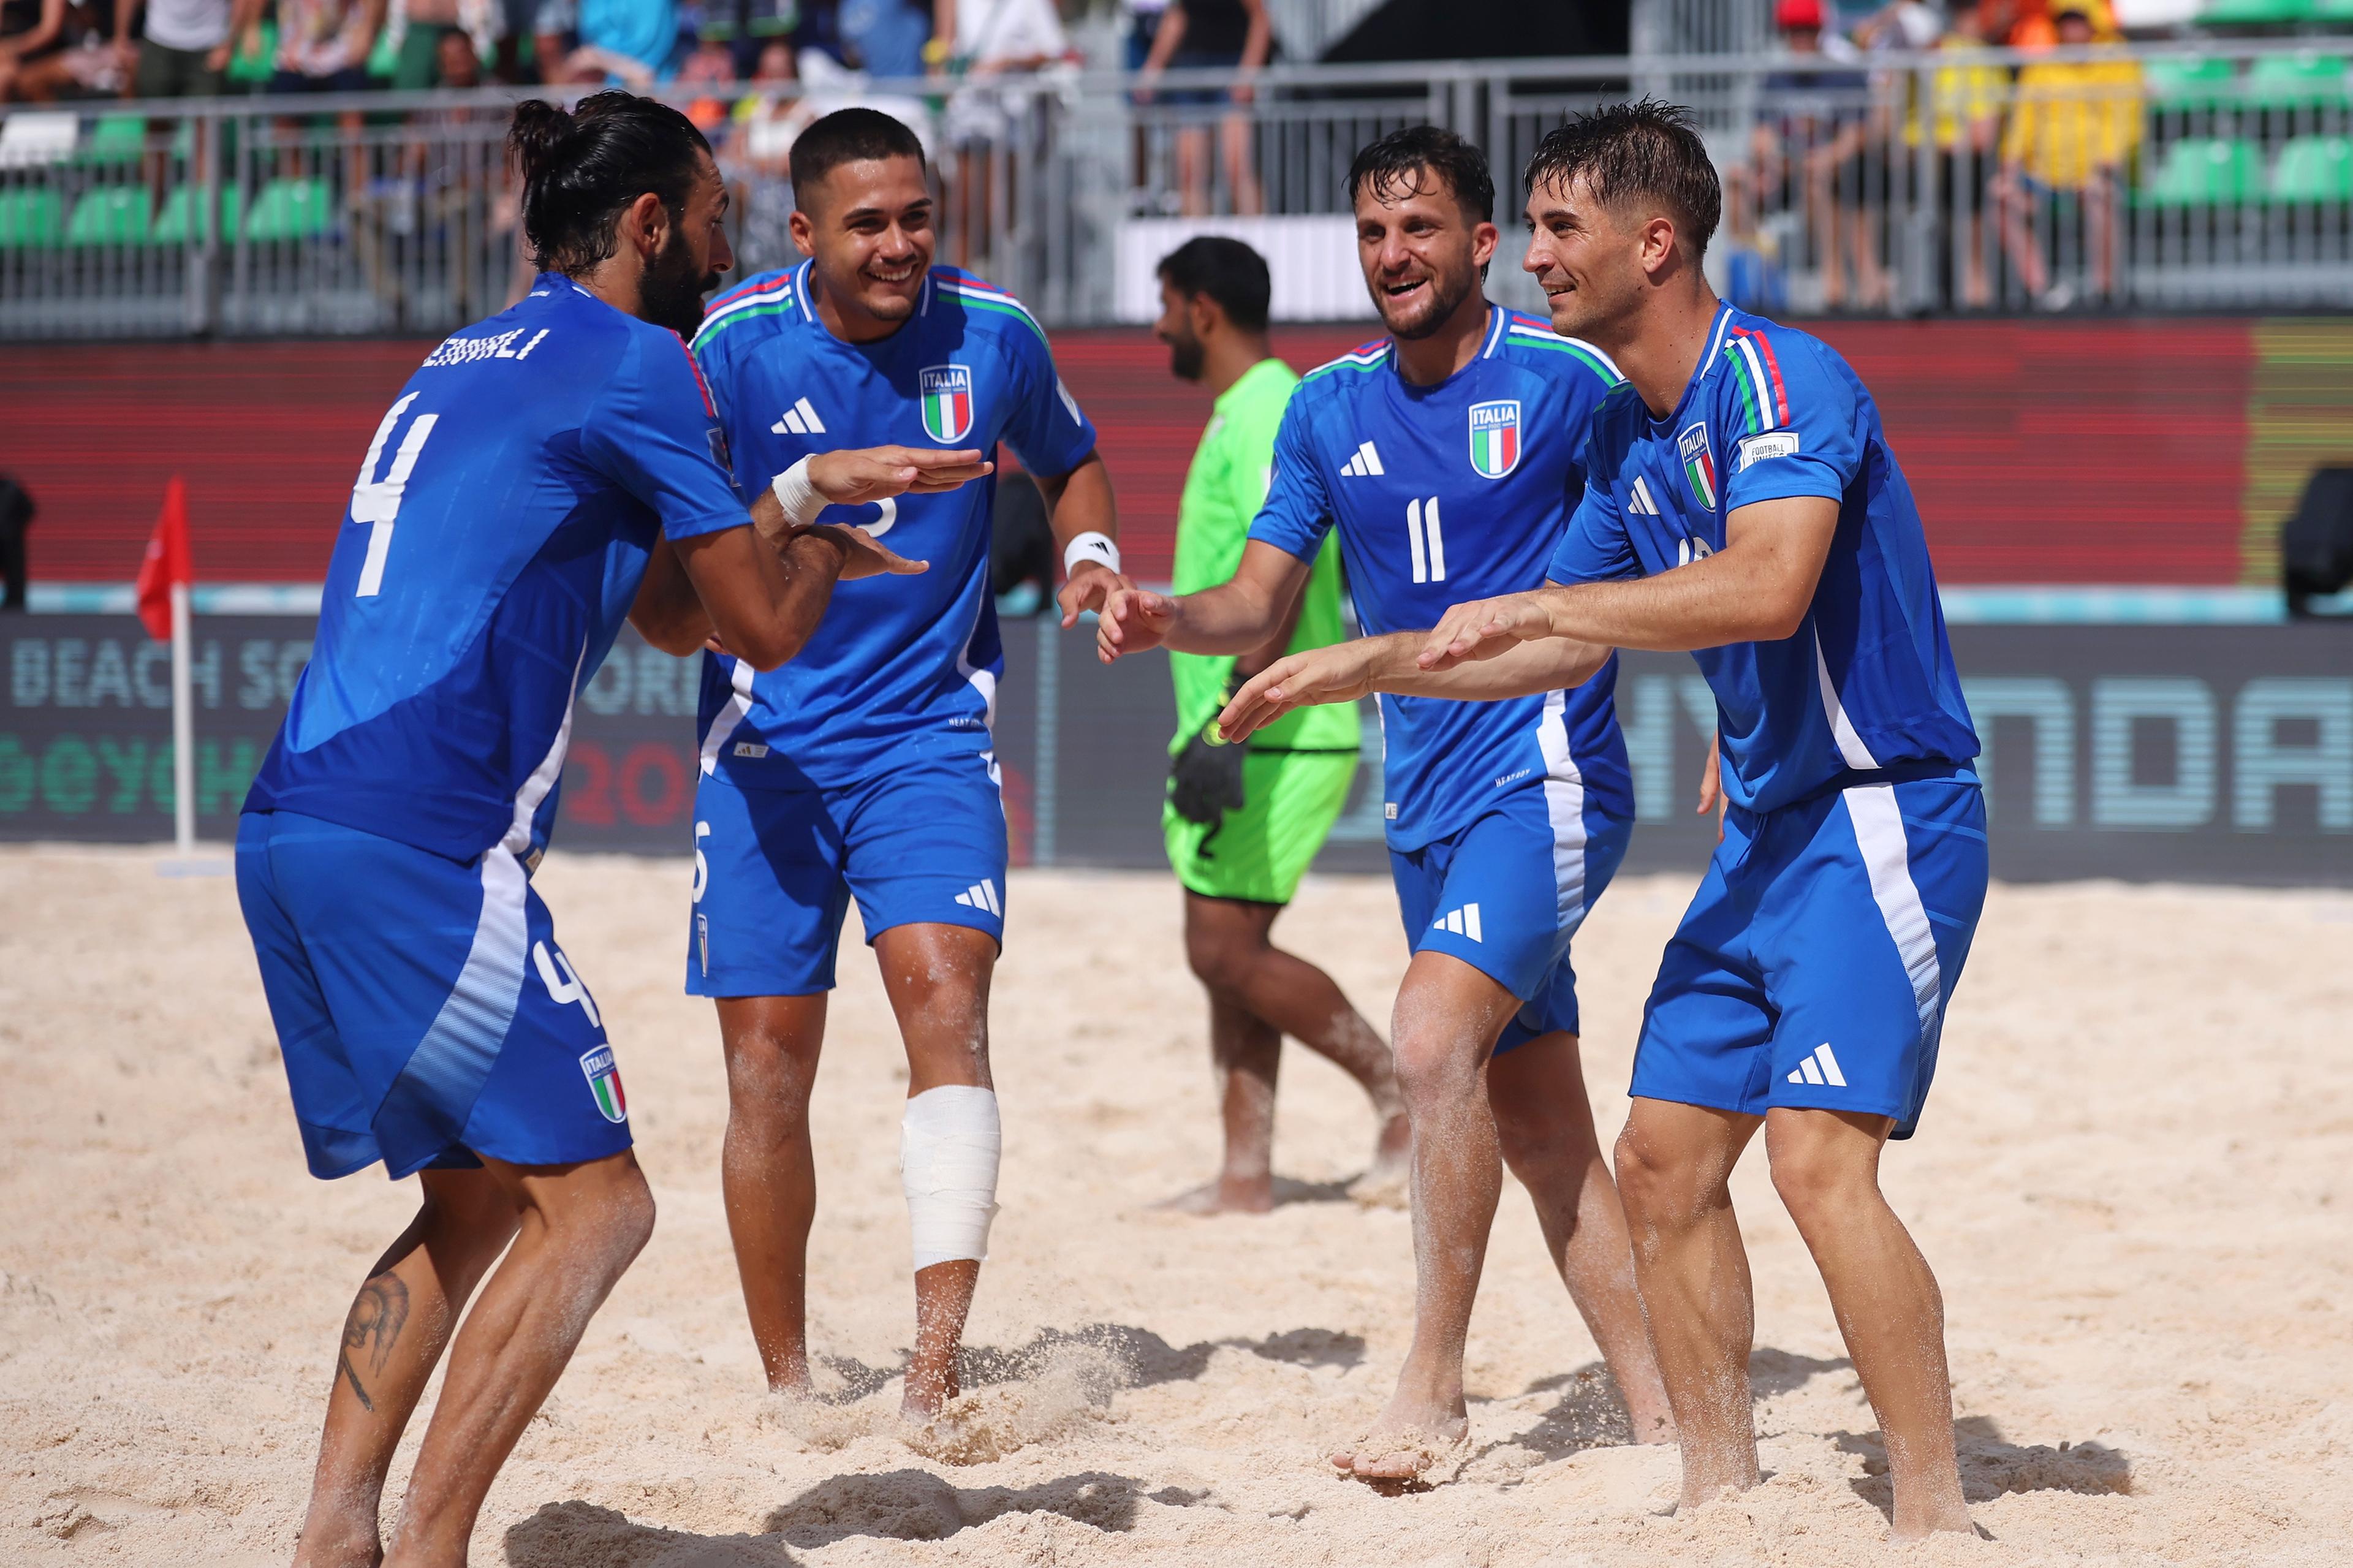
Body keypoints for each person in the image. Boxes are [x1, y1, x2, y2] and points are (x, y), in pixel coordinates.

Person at [233, 91, 985, 1568]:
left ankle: (338, 1529)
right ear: (649, 225)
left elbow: (654, 608)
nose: (727, 234)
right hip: (426, 838)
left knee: (472, 1202)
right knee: (601, 1211)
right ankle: (434, 1543)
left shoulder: (465, 353)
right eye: (712, 210)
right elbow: (755, 626)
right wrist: (831, 543)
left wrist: (788, 486)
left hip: (297, 824)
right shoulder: (644, 361)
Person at [1218, 101, 1987, 1540]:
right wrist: (1361, 659)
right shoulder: (1638, 440)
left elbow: (1761, 584)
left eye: (1559, 227)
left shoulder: (1774, 375)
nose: (1537, 257)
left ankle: (1936, 1516)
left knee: (1819, 1164)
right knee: (1657, 1160)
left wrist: (1551, 603)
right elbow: (1544, 645)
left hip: (1882, 812)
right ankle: (1716, 1495)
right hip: (1765, 831)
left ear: (1654, 239)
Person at [1096, 125, 1673, 1479]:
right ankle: (1664, 1408)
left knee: (1427, 1044)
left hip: (1548, 772)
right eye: (1371, 232)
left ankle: (1435, 1389)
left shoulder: (1573, 383)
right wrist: (1161, 611)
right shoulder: (1326, 406)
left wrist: (1742, 705)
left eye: (1420, 229)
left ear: (1485, 246)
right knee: (1539, 1124)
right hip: (1423, 804)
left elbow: (1669, 560)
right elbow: (1255, 603)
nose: (1393, 255)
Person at [680, 106, 1127, 1420]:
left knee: (947, 997)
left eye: (917, 216)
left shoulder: (998, 334)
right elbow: (673, 572)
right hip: (760, 743)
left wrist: (1091, 556)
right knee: (768, 1064)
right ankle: (790, 1385)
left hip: (929, 732)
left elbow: (1076, 459)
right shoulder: (731, 350)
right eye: (868, 223)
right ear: (804, 230)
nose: (899, 244)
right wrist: (807, 491)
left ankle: (931, 1382)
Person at [1149, 234, 1405, 1214]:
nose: (1159, 324)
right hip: (1248, 723)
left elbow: (1283, 576)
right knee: (1230, 962)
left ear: (1203, 308)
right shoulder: (1248, 408)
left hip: (1270, 726)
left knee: (1225, 952)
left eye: (1167, 304)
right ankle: (1245, 1171)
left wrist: (1234, 720)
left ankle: (1398, 1097)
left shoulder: (1266, 408)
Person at [1994, 0, 2139, 309]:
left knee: (2102, 197)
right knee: (2001, 199)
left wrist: (2105, 164)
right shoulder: (2042, 65)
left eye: (2078, 21)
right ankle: (2040, 288)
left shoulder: (2116, 62)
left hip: (2095, 171)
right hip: (2046, 174)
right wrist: (2009, 168)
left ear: (2092, 24)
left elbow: (2124, 119)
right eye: (2065, 22)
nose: (2071, 29)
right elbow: (2023, 120)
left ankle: (2105, 290)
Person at [1135, 0, 1270, 216]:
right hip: (1190, 71)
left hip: (1230, 67)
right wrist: (1154, 67)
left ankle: (1254, 240)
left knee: (1237, 169)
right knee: (1189, 172)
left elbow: (1260, 18)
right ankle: (1196, 244)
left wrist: (1248, 72)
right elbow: (1178, 16)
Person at [116, 0, 259, 98]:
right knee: (156, 117)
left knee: (205, 122)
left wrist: (228, 45)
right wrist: (121, 37)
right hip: (159, 40)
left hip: (208, 46)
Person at [0, 471, 32, 611]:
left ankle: (15, 607)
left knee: (15, 577)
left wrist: (15, 529)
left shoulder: (12, 490)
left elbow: (29, 510)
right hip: (8, 541)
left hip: (11, 543)